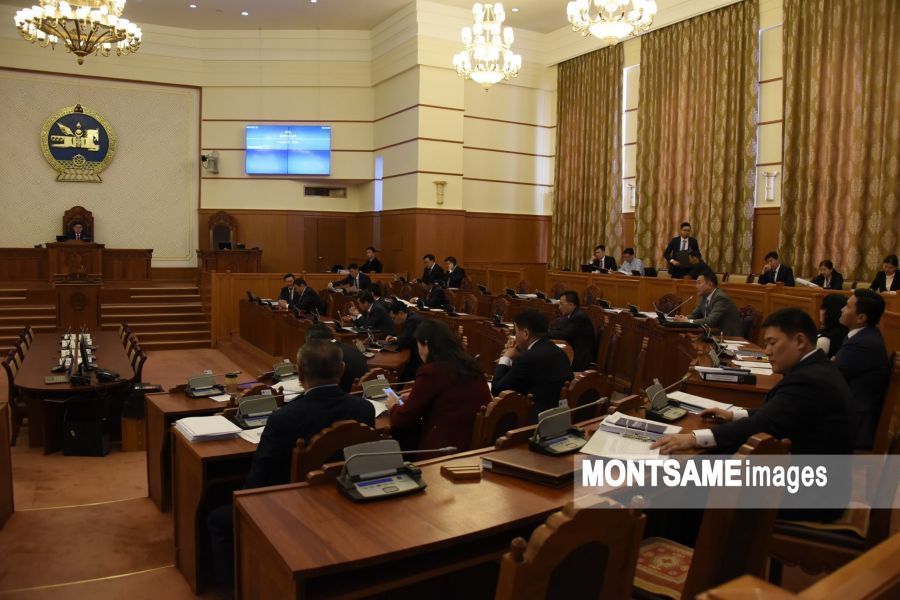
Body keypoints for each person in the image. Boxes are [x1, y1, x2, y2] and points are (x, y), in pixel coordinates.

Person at [207, 339, 375, 587]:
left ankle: (233, 589)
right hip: (344, 498)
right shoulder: (365, 409)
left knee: (216, 518)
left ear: (299, 374)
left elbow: (257, 482)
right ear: (341, 370)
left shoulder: (284, 418)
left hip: (291, 510)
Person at [652, 308, 855, 457]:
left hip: (811, 494)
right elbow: (779, 414)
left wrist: (694, 437)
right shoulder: (816, 368)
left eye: (772, 343)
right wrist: (733, 414)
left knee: (688, 472)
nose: (766, 351)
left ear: (800, 341)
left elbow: (764, 424)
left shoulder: (808, 381)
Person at [386, 319, 491, 453]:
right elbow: (449, 398)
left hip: (443, 451)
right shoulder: (470, 364)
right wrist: (415, 397)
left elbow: (402, 419)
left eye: (418, 345)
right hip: (474, 447)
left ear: (426, 345)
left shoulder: (431, 371)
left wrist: (394, 405)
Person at [491, 309, 574, 418]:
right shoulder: (559, 352)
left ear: (526, 333)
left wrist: (506, 357)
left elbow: (497, 389)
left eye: (515, 332)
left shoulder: (527, 359)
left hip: (534, 422)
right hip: (560, 415)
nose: (515, 337)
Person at [835, 289, 891, 449]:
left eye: (847, 306)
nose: (842, 310)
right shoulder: (863, 334)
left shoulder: (863, 344)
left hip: (854, 424)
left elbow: (830, 376)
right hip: (849, 412)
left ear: (861, 318)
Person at [675, 271, 742, 336]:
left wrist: (688, 322)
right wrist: (683, 319)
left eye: (699, 283)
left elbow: (710, 321)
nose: (696, 286)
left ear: (710, 285)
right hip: (712, 334)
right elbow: (694, 315)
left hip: (727, 337)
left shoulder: (720, 298)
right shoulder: (705, 297)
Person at [306, 323, 368, 393]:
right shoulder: (350, 348)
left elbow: (322, 384)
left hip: (344, 395)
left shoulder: (329, 354)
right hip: (360, 394)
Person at [548, 291, 596, 371]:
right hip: (573, 351)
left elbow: (563, 334)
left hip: (579, 358)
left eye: (562, 304)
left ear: (571, 304)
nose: (559, 307)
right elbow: (559, 328)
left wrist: (543, 333)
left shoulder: (579, 317)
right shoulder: (571, 315)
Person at [386, 301, 424, 381]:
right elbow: (406, 337)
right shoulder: (412, 317)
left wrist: (396, 340)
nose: (393, 321)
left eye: (394, 318)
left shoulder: (413, 320)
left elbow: (403, 342)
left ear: (400, 313)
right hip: (416, 354)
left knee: (401, 378)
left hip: (418, 359)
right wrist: (396, 338)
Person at [816, 294, 848, 358]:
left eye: (822, 308)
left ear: (828, 312)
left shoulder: (826, 339)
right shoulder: (843, 330)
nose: (820, 311)